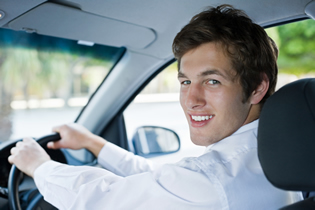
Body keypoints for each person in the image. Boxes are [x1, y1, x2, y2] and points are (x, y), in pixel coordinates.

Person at [8, 4, 302, 209]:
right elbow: (161, 181)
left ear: (257, 87)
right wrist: (94, 144)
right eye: (185, 82)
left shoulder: (216, 179)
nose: (191, 100)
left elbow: (100, 200)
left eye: (212, 81)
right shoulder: (280, 156)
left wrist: (40, 166)